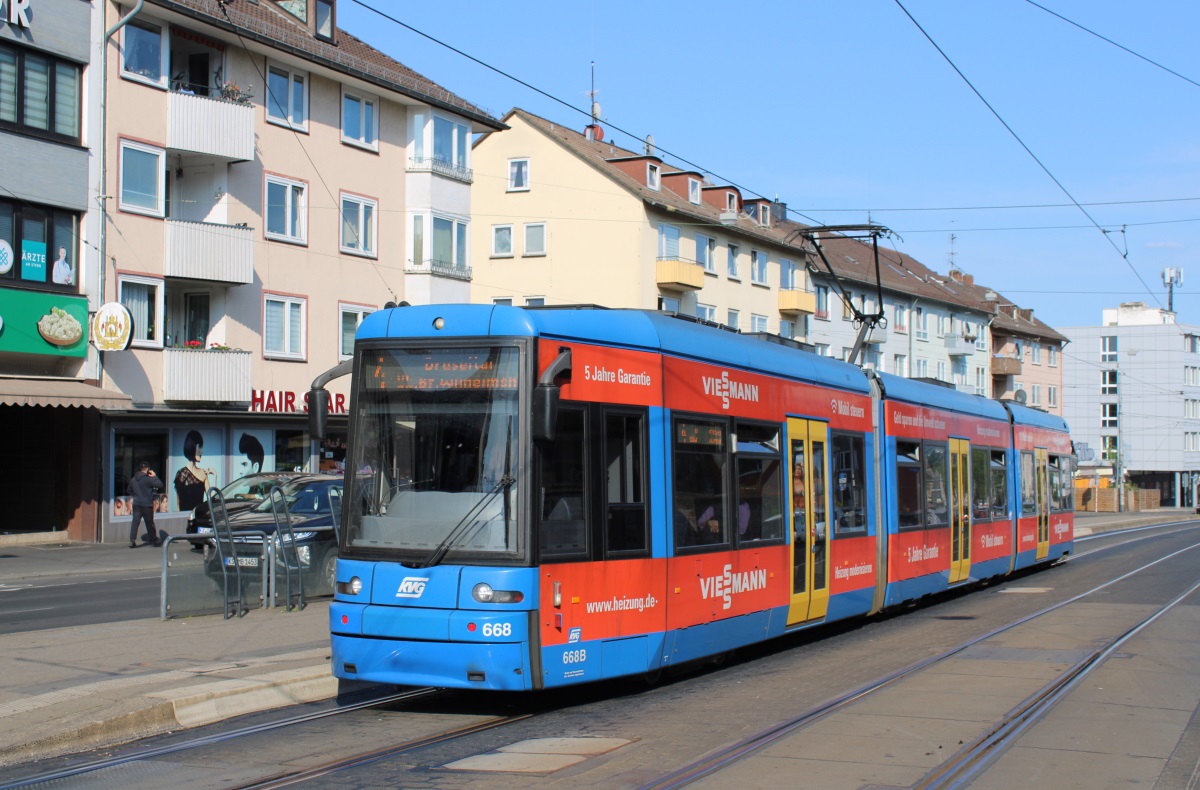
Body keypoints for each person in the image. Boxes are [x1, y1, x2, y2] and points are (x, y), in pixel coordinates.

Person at [174, 430, 216, 512]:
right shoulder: (180, 474)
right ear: (192, 447)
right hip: (184, 519)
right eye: (199, 447)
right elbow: (178, 505)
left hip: (198, 518)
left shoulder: (203, 473)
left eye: (201, 448)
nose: (201, 451)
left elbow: (212, 501)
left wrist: (215, 476)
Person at [128, 462, 164, 547]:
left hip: (136, 504)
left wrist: (136, 496)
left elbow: (129, 490)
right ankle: (153, 540)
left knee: (135, 522)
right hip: (147, 505)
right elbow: (160, 485)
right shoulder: (148, 479)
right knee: (149, 523)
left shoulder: (133, 479)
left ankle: (132, 541)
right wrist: (154, 476)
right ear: (148, 469)